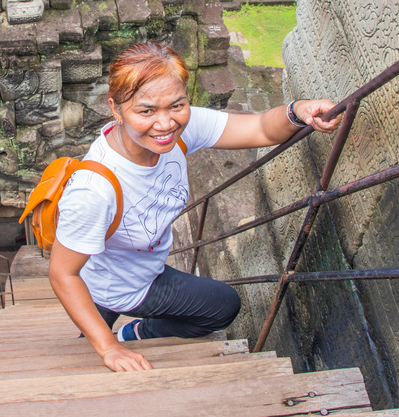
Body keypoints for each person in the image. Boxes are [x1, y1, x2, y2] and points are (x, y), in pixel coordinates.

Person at [49, 41, 343, 372]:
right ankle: (122, 335)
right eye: (146, 111)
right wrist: (109, 348)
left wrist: (298, 110)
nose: (165, 124)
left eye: (177, 105)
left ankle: (130, 331)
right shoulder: (94, 191)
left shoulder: (180, 131)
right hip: (109, 284)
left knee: (216, 307)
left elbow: (259, 128)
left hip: (140, 266)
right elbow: (63, 272)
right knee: (97, 347)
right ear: (116, 109)